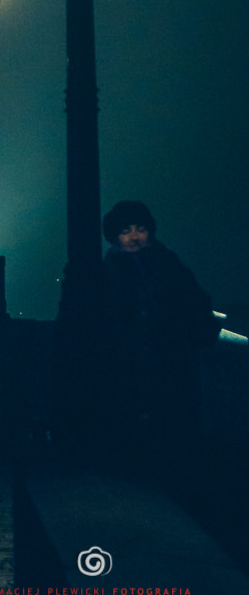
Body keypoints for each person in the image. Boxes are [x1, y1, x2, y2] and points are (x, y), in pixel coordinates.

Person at [101, 200, 219, 468]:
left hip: (167, 354)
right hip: (130, 357)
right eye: (126, 231)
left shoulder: (167, 263)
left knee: (170, 416)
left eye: (139, 228)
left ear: (150, 231)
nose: (133, 237)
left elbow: (194, 300)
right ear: (114, 235)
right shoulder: (109, 271)